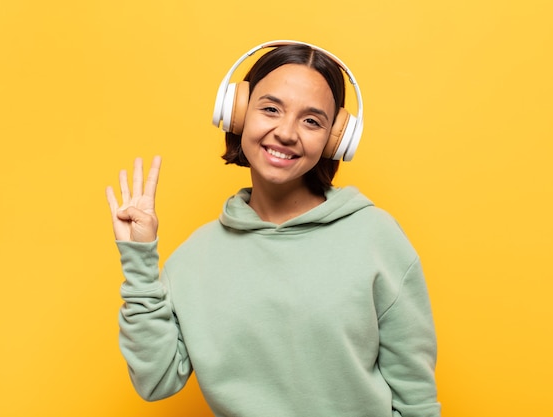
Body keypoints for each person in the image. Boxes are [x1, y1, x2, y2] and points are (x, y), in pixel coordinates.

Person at [106, 41, 440, 417]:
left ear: (335, 139)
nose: (286, 132)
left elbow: (416, 397)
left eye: (311, 120)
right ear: (237, 114)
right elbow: (156, 379)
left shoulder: (376, 237)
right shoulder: (194, 259)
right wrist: (140, 263)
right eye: (270, 109)